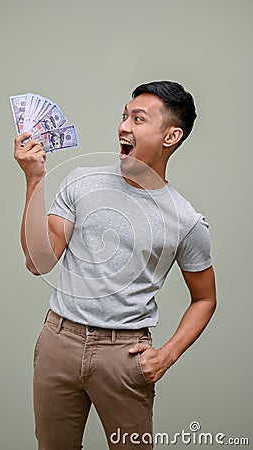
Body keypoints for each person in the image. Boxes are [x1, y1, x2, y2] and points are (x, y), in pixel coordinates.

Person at [14, 80, 216, 450]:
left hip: (124, 355)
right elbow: (38, 262)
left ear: (171, 136)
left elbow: (205, 300)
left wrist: (167, 355)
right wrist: (34, 180)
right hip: (59, 342)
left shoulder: (186, 220)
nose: (123, 126)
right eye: (124, 116)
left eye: (138, 119)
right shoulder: (80, 182)